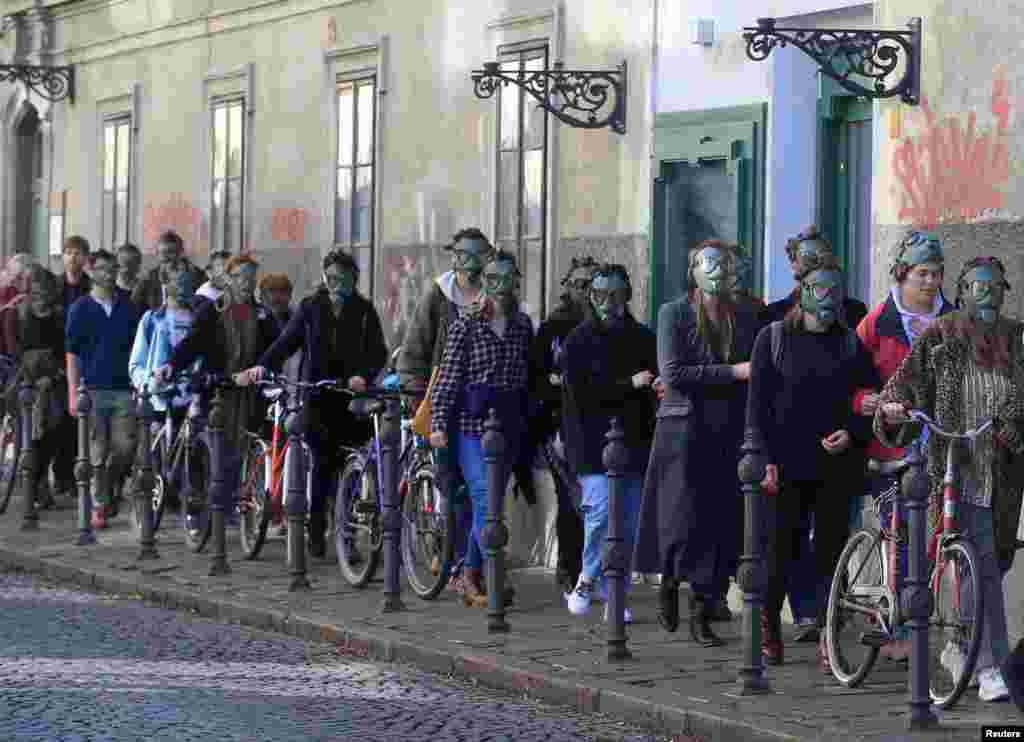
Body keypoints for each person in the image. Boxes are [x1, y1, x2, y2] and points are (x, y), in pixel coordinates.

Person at [878, 256, 1024, 703]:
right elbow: (903, 384)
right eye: (976, 286)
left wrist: (1012, 424)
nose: (985, 294)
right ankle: (991, 667)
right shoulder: (940, 336)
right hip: (951, 469)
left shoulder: (1017, 339)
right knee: (975, 567)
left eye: (994, 286)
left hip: (999, 474)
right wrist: (894, 407)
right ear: (961, 291)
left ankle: (963, 648)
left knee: (986, 566)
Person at [745, 254, 878, 670]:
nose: (829, 297)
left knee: (831, 553)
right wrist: (762, 458)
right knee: (780, 550)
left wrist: (852, 434)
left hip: (835, 462)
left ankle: (827, 633)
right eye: (820, 288)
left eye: (836, 289)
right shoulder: (773, 338)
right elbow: (757, 406)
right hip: (786, 462)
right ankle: (768, 627)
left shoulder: (849, 341)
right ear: (801, 292)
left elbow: (866, 398)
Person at [634, 241, 762, 645]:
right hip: (682, 429)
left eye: (725, 266)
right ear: (693, 271)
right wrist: (733, 372)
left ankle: (701, 610)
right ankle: (671, 580)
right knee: (679, 518)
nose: (720, 273)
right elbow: (673, 373)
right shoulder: (673, 313)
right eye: (711, 265)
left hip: (725, 428)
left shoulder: (743, 314)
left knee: (718, 521)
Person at [234, 250, 388, 558]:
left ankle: (346, 530)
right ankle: (317, 533)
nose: (334, 283)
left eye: (341, 278)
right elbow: (286, 343)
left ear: (353, 279)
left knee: (352, 465)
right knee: (322, 465)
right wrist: (263, 366)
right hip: (317, 396)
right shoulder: (311, 307)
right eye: (330, 277)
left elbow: (378, 351)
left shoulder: (363, 310)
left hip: (350, 397)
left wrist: (364, 376)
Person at [851, 229, 951, 660]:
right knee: (903, 538)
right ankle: (894, 624)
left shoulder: (953, 319)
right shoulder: (877, 324)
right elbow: (850, 381)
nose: (930, 282)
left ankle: (922, 624)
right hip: (894, 448)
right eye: (922, 274)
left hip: (944, 447)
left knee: (938, 537)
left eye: (937, 273)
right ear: (902, 274)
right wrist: (865, 402)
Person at [428, 250, 532, 608]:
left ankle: (470, 574)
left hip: (507, 426)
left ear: (516, 281)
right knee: (485, 500)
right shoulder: (465, 325)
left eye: (507, 278)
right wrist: (439, 424)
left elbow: (525, 376)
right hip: (472, 428)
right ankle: (485, 575)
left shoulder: (522, 325)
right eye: (492, 279)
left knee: (490, 506)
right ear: (483, 283)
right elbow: (448, 378)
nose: (500, 287)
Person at [397, 228, 495, 593]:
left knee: (479, 489)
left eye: (477, 255)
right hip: (443, 403)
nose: (470, 262)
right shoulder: (439, 297)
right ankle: (456, 562)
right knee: (451, 487)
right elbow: (415, 346)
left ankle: (471, 566)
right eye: (463, 255)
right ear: (454, 258)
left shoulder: (491, 295)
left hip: (479, 407)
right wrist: (416, 392)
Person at [561, 263, 657, 623]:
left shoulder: (644, 338)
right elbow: (582, 396)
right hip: (590, 445)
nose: (607, 302)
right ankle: (587, 580)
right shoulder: (577, 341)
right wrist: (629, 384)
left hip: (634, 443)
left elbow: (654, 387)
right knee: (601, 515)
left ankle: (614, 590)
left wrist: (655, 389)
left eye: (614, 294)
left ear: (627, 295)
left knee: (628, 524)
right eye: (599, 294)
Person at [529, 256, 598, 596]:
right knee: (573, 497)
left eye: (592, 284)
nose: (586, 291)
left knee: (593, 499)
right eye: (579, 284)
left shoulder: (610, 323)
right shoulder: (553, 326)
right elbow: (537, 378)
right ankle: (572, 568)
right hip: (559, 426)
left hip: (600, 426)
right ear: (568, 287)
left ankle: (585, 568)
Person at [65, 249, 144, 528]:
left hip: (124, 388)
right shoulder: (81, 307)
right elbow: (72, 353)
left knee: (125, 447)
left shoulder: (129, 305)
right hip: (93, 389)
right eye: (102, 269)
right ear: (90, 271)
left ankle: (110, 486)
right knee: (96, 452)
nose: (108, 274)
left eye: (112, 269)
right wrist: (73, 391)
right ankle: (100, 504)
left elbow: (139, 345)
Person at [129, 259, 202, 510]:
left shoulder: (199, 321)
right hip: (158, 398)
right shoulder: (152, 320)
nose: (183, 288)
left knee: (192, 449)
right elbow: (136, 364)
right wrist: (148, 381)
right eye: (177, 281)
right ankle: (146, 498)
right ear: (164, 284)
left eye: (187, 282)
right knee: (152, 452)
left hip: (189, 396)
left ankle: (188, 496)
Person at [5, 266, 67, 508]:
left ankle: (40, 477)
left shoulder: (59, 316)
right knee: (28, 433)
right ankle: (30, 480)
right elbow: (13, 351)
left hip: (52, 380)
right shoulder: (16, 314)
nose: (42, 296)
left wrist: (52, 375)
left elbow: (65, 351)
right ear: (30, 292)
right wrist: (30, 377)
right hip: (23, 381)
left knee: (55, 430)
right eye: (37, 290)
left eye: (47, 290)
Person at [761, 226, 868, 329]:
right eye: (808, 258)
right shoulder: (774, 314)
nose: (818, 263)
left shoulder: (854, 310)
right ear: (794, 265)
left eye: (823, 255)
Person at [132, 230, 205, 311]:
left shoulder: (197, 276)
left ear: (181, 252)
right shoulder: (149, 278)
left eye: (170, 252)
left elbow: (204, 306)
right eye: (162, 253)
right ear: (157, 254)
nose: (166, 257)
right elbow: (135, 305)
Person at [61, 236, 92, 313]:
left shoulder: (92, 287)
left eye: (77, 253)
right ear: (63, 257)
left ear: (86, 257)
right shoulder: (53, 285)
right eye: (68, 253)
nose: (72, 257)